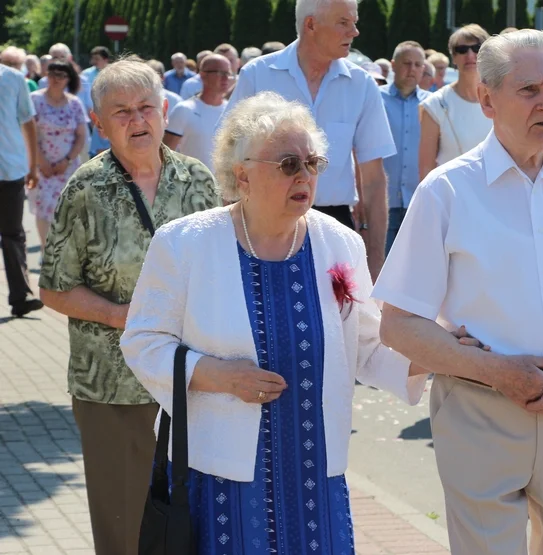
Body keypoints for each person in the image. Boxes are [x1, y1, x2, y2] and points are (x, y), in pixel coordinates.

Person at [374, 30, 543, 555]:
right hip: (479, 409)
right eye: (529, 90)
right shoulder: (447, 191)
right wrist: (492, 370)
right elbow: (397, 324)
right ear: (486, 99)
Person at [121, 91, 429, 554]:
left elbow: (367, 345)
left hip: (315, 474)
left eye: (314, 162)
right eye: (288, 164)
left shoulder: (340, 243)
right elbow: (143, 342)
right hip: (224, 475)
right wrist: (215, 375)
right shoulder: (184, 244)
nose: (304, 175)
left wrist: (437, 354)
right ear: (241, 175)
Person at [37, 59, 219, 555]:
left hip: (191, 382)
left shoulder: (197, 180)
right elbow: (53, 288)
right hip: (112, 388)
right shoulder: (86, 190)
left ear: (163, 111)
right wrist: (125, 317)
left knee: (190, 524)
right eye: (121, 112)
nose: (137, 120)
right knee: (125, 530)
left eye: (146, 108)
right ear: (98, 123)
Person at [223, 0, 397, 281]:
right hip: (260, 226)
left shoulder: (362, 85)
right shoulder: (257, 75)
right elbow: (229, 161)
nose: (354, 32)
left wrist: (375, 264)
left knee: (337, 323)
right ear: (311, 24)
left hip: (335, 224)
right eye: (344, 22)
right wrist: (228, 240)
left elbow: (374, 180)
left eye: (355, 22)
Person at [28, 60, 88, 256]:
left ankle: (65, 254)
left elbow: (81, 135)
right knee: (43, 209)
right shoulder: (35, 100)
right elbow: (29, 133)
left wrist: (68, 160)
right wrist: (40, 161)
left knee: (68, 209)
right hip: (41, 164)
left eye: (61, 75)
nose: (55, 79)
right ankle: (47, 254)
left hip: (68, 166)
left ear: (68, 79)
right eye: (52, 74)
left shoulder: (74, 103)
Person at [418, 24, 492, 179]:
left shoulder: (503, 99)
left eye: (476, 48)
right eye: (462, 49)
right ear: (453, 57)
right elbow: (426, 169)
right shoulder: (435, 104)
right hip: (452, 196)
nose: (470, 55)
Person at [0, 58, 41, 318]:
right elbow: (28, 122)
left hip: (10, 168)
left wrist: (33, 164)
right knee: (13, 235)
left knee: (13, 234)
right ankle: (20, 296)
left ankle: (20, 296)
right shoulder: (14, 78)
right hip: (11, 166)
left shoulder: (14, 78)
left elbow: (28, 121)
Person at [380, 41, 428, 253]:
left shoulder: (432, 104)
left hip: (419, 201)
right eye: (407, 63)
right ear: (393, 65)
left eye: (418, 64)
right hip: (383, 200)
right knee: (380, 267)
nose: (412, 69)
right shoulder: (375, 98)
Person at [164, 54, 232, 172]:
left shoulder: (232, 110)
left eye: (228, 73)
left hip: (224, 188)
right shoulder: (184, 110)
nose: (226, 78)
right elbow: (164, 157)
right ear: (203, 75)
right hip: (192, 188)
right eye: (221, 73)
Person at [81, 46, 112, 158]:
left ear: (106, 59)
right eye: (93, 59)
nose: (94, 62)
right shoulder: (86, 74)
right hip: (94, 114)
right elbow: (86, 97)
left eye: (97, 59)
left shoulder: (114, 73)